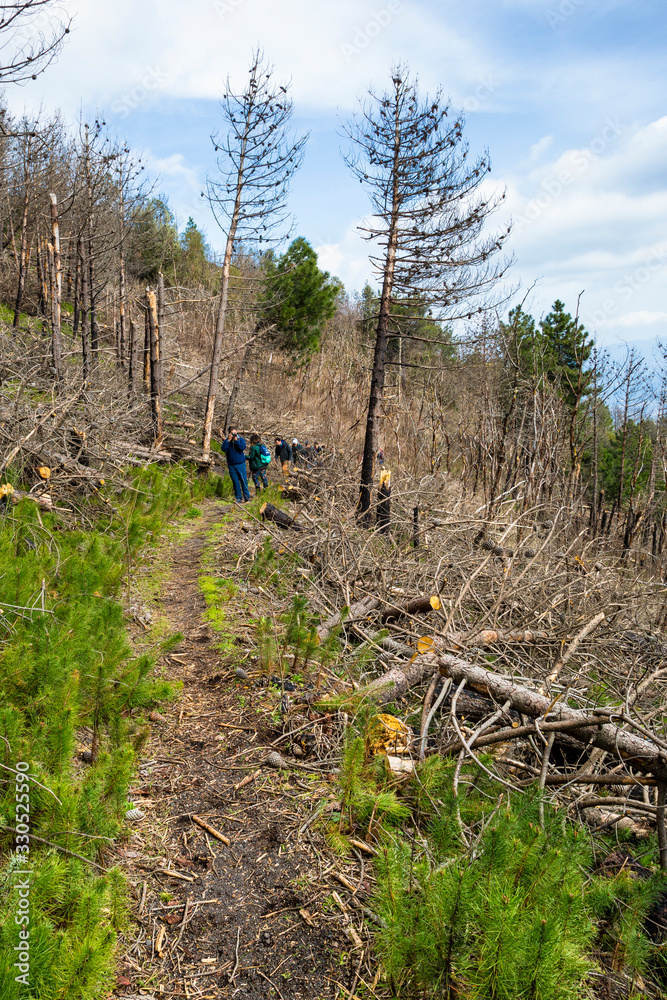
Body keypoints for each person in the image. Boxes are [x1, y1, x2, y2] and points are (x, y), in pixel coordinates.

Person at [221, 426, 250, 503]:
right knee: (235, 481)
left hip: (240, 463)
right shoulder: (227, 441)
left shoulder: (240, 439)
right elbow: (223, 449)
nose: (234, 434)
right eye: (232, 433)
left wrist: (236, 440)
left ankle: (247, 497)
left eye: (235, 433)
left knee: (243, 480)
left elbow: (242, 447)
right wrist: (229, 440)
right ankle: (238, 498)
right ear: (229, 433)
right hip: (231, 464)